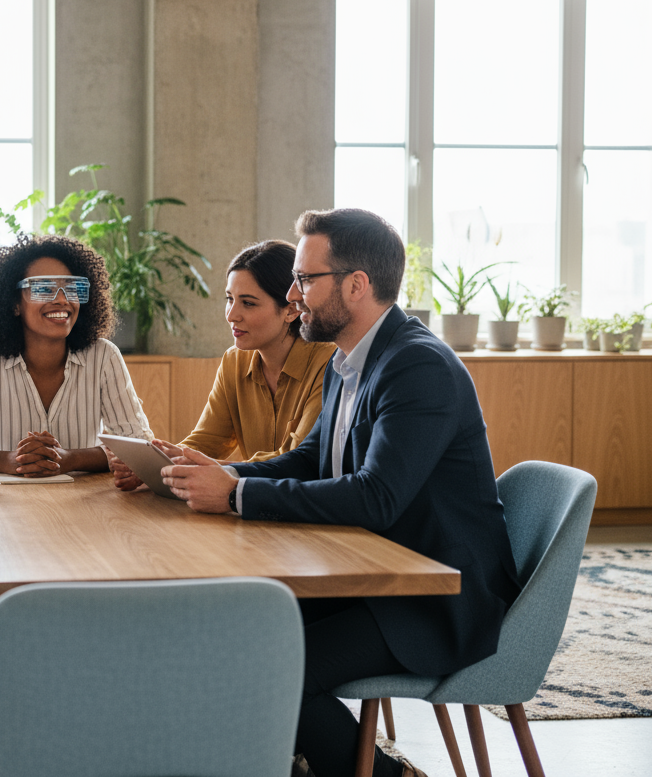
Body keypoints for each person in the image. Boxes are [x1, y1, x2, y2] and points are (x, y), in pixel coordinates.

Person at [152, 208, 521, 777]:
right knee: (229, 627)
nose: (294, 295)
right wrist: (222, 475)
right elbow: (310, 460)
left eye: (304, 280)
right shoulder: (349, 362)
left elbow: (377, 498)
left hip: (433, 596)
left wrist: (234, 498)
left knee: (272, 668)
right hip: (377, 573)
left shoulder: (415, 366)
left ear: (356, 285)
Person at [109, 240, 335, 490]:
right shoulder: (234, 361)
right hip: (253, 507)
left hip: (306, 509)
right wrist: (160, 463)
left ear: (291, 310)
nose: (231, 315)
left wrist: (202, 468)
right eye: (230, 299)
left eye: (248, 303)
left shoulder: (330, 363)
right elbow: (207, 440)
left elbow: (298, 461)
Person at [0, 234, 152, 475]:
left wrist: (71, 459)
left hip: (85, 506)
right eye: (43, 289)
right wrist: (8, 460)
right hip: (2, 507)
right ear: (14, 303)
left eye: (72, 289)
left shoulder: (104, 356)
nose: (62, 300)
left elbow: (139, 446)